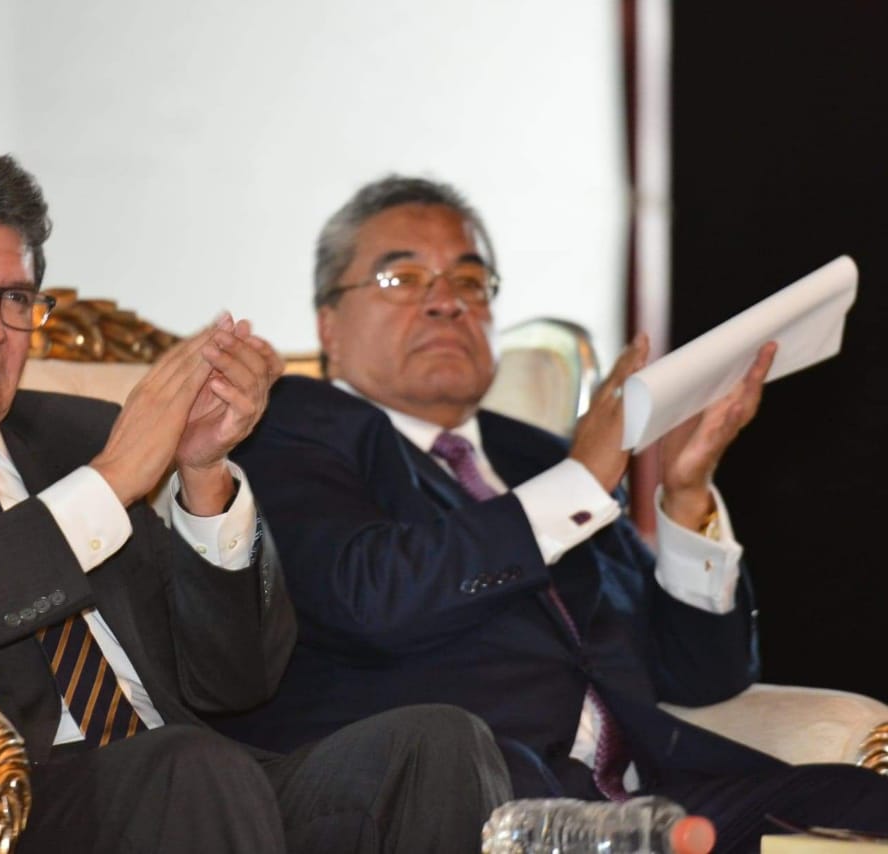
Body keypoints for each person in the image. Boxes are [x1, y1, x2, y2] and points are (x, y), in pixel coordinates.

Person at [0, 136, 511, 853]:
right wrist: (110, 485)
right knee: (188, 769)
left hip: (200, 783)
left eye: (15, 298)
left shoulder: (75, 435)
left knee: (435, 745)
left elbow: (237, 684)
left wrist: (203, 477)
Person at [211, 175, 888, 852]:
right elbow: (368, 596)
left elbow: (703, 676)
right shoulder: (289, 428)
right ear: (328, 323)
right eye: (404, 278)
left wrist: (685, 498)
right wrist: (580, 481)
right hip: (471, 798)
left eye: (470, 281)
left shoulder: (538, 456)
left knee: (864, 807)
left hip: (648, 796)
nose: (447, 301)